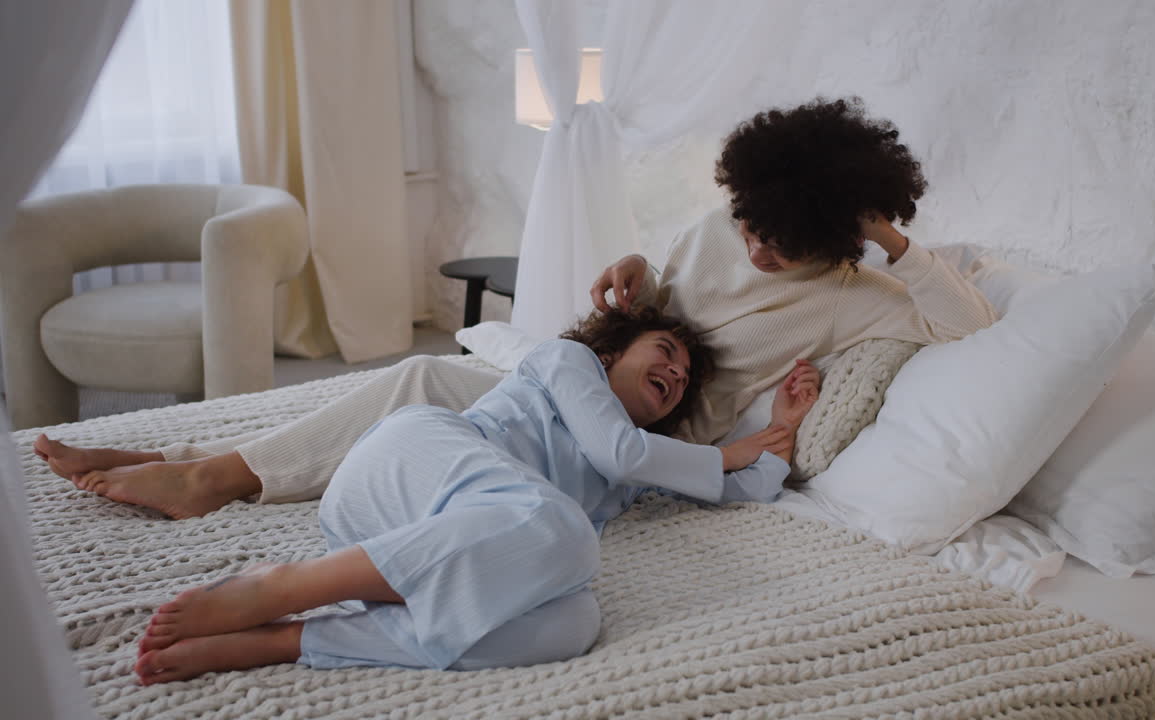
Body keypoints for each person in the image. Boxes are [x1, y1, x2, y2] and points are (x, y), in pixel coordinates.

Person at [35, 95, 996, 517]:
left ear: (835, 236)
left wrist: (888, 236)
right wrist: (639, 269)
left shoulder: (852, 297)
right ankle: (199, 461)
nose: (755, 248)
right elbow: (672, 299)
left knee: (422, 387)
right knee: (418, 377)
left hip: (651, 428)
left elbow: (971, 325)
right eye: (750, 222)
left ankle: (209, 479)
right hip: (596, 385)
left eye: (781, 242)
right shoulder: (720, 227)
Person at [131, 307, 820, 683]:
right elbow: (624, 450)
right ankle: (288, 585)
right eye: (664, 350)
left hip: (422, 546)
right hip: (406, 466)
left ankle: (289, 640)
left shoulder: (641, 467)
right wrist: (726, 450)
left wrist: (781, 430)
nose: (674, 372)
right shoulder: (567, 361)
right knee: (566, 532)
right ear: (614, 349)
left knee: (573, 621)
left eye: (683, 380)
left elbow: (741, 489)